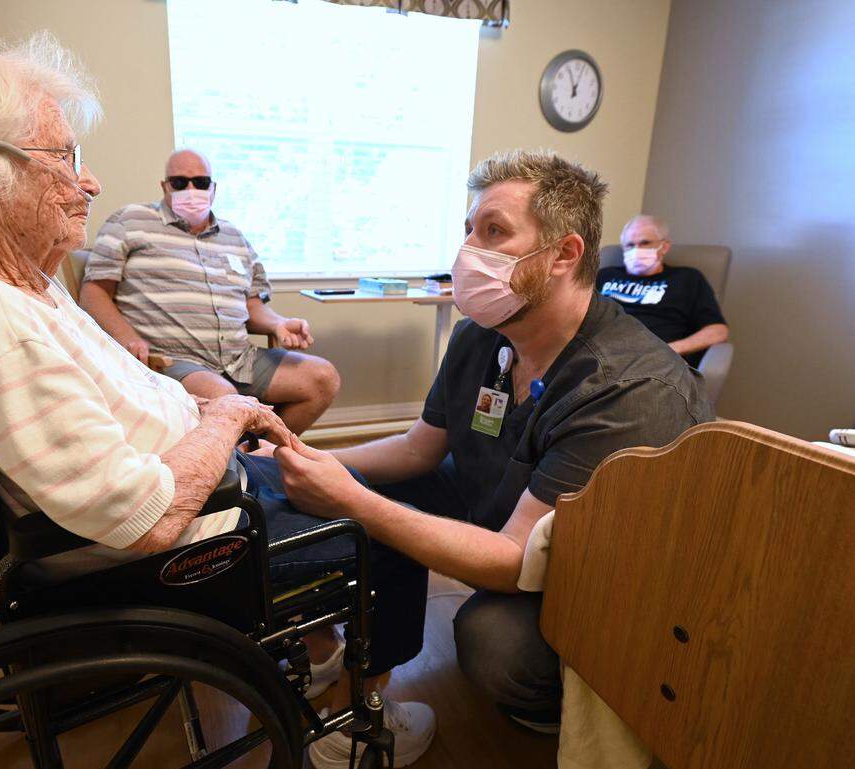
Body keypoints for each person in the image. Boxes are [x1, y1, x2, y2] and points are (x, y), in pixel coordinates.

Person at [0, 35, 434, 769]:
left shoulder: (4, 283)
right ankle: (350, 727)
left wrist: (198, 393)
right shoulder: (0, 321)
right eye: (65, 159)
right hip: (190, 526)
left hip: (191, 454)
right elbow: (144, 516)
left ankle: (321, 635)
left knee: (327, 460)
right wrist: (226, 415)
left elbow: (114, 378)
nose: (90, 181)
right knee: (393, 526)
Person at [271, 150, 715, 736]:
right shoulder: (481, 336)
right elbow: (417, 450)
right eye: (468, 231)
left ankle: (551, 708)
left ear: (564, 254)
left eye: (494, 232)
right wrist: (311, 458)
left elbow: (514, 559)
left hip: (606, 579)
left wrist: (354, 503)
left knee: (491, 641)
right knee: (340, 491)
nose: (467, 253)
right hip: (507, 511)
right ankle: (334, 654)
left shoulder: (627, 391)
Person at [79, 149, 340, 433]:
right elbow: (94, 291)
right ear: (165, 186)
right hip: (172, 359)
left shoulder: (234, 237)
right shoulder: (130, 221)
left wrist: (278, 324)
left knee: (323, 378)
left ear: (213, 188)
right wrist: (127, 338)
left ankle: (259, 461)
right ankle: (239, 465)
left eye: (201, 182)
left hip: (240, 358)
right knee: (224, 397)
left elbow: (252, 306)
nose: (191, 190)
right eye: (180, 183)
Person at [597, 214, 729, 367]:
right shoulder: (605, 275)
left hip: (655, 362)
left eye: (645, 243)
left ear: (664, 246)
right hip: (602, 356)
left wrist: (669, 350)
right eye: (629, 245)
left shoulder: (687, 279)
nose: (636, 250)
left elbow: (718, 331)